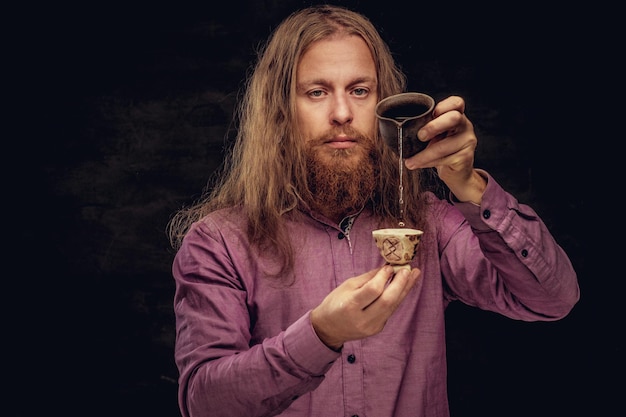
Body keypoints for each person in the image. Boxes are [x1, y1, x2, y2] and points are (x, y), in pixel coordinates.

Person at [167, 4, 580, 417]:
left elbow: (552, 299)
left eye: (360, 91)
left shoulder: (429, 224)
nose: (343, 113)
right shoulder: (218, 241)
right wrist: (320, 335)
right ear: (279, 111)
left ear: (384, 107)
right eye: (317, 92)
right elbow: (204, 403)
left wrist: (470, 186)